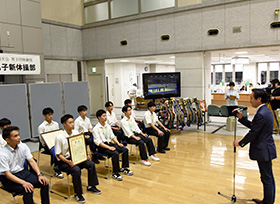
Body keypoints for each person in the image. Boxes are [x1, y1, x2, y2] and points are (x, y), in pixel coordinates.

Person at [233, 89, 277, 204]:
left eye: (252, 98)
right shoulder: (265, 111)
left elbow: (253, 133)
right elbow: (254, 126)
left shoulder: (261, 113)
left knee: (267, 178)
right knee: (268, 177)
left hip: (263, 150)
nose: (250, 100)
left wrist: (240, 143)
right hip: (266, 148)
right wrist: (241, 118)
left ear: (259, 99)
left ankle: (267, 202)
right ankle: (267, 201)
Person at [55, 114, 101, 203]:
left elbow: (82, 146)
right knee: (76, 170)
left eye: (72, 122)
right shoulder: (59, 137)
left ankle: (92, 186)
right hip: (65, 161)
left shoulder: (76, 133)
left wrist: (86, 154)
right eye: (70, 123)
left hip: (77, 157)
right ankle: (78, 194)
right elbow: (58, 154)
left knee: (91, 164)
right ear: (64, 124)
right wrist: (68, 161)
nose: (72, 124)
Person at [0, 126, 50, 204]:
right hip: (9, 179)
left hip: (22, 172)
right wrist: (23, 182)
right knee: (27, 189)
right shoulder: (2, 154)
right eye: (15, 136)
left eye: (18, 135)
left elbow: (31, 161)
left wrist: (39, 174)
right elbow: (8, 174)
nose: (19, 138)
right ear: (7, 140)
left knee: (44, 182)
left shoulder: (23, 146)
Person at [93, 109, 133, 181]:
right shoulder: (96, 128)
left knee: (125, 150)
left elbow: (112, 136)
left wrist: (118, 143)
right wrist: (109, 148)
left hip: (110, 144)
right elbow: (98, 142)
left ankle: (124, 168)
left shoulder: (107, 126)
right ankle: (115, 172)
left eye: (105, 116)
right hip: (102, 146)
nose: (105, 117)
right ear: (99, 117)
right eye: (103, 116)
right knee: (115, 153)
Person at [37, 107, 64, 178]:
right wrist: (48, 144)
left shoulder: (55, 124)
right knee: (55, 150)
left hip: (56, 143)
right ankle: (56, 169)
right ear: (44, 116)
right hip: (47, 145)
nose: (51, 116)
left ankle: (62, 164)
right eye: (49, 115)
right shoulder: (41, 127)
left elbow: (58, 134)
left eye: (51, 114)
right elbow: (42, 140)